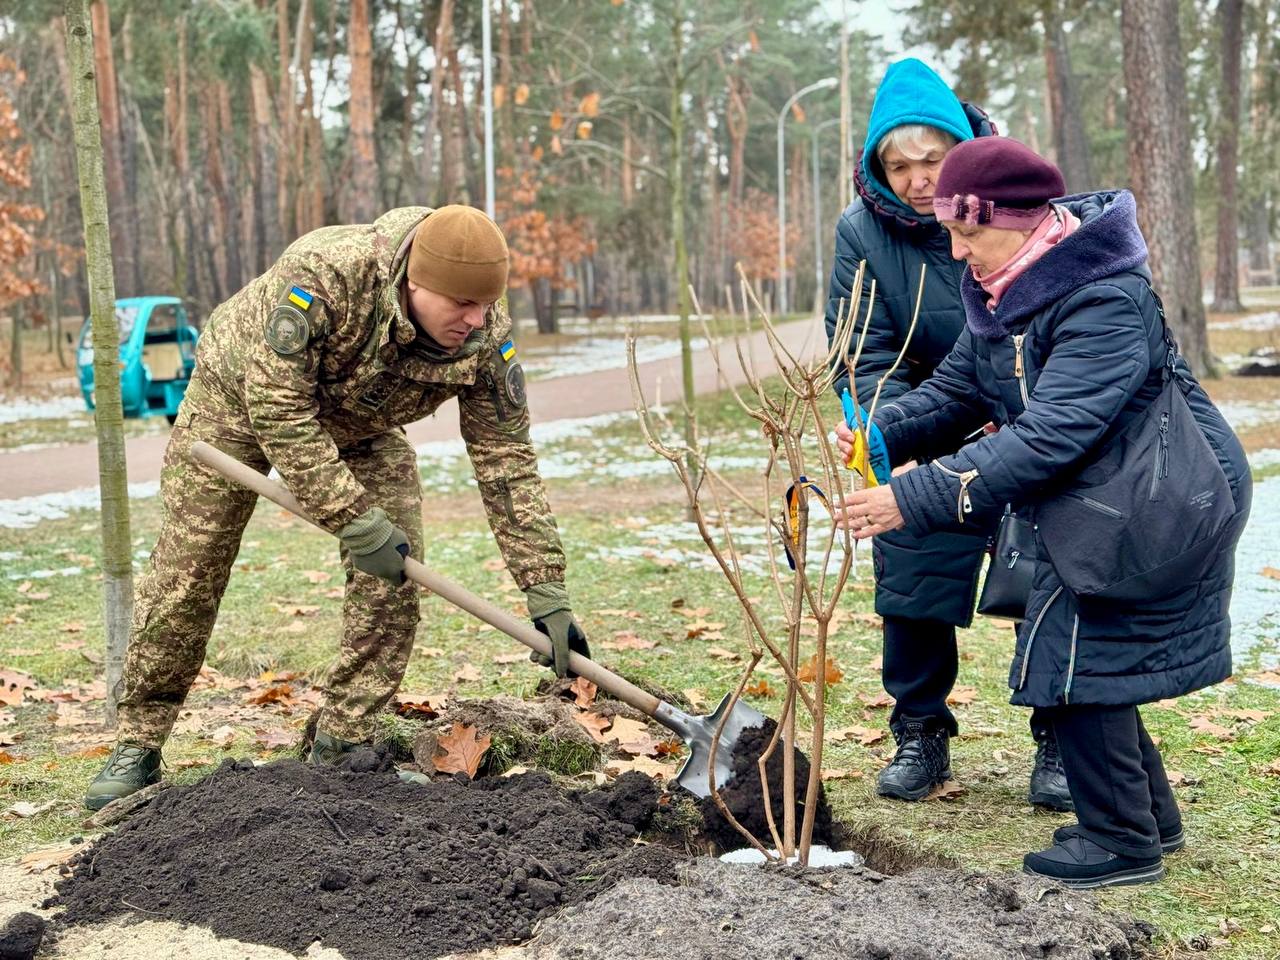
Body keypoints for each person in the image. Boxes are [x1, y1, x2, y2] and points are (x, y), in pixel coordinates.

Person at [835, 137, 1252, 887]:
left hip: (1160, 498)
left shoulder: (1101, 296)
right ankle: (1148, 819)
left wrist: (914, 496)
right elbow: (958, 389)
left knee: (1072, 662)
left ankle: (1122, 844)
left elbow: (1052, 434)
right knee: (1094, 661)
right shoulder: (1008, 290)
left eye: (969, 233)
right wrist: (879, 429)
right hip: (1106, 497)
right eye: (952, 234)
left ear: (1023, 218)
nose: (958, 252)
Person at [84, 205, 590, 810]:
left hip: (361, 420)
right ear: (415, 282)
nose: (475, 319)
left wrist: (545, 589)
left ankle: (345, 742)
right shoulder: (326, 275)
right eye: (461, 304)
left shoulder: (484, 334)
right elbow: (278, 410)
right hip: (241, 398)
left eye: (485, 305)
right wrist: (351, 516)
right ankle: (139, 740)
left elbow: (505, 456)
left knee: (398, 565)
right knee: (191, 568)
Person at [826, 58, 1070, 809]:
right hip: (926, 420)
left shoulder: (1007, 205)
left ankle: (1061, 735)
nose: (917, 180)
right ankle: (921, 728)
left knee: (1053, 573)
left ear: (962, 149)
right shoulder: (863, 233)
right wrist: (887, 433)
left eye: (931, 159)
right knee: (912, 571)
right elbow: (860, 352)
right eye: (897, 165)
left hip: (1023, 419)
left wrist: (1010, 423)